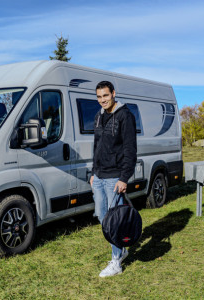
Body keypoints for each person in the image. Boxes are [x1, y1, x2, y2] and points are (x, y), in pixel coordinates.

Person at [90, 80, 137, 277]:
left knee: (114, 222)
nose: (103, 100)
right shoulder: (99, 117)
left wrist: (124, 178)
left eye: (106, 96)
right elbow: (97, 146)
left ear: (114, 94)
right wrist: (93, 173)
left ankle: (116, 262)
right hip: (99, 177)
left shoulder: (125, 116)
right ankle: (122, 249)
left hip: (114, 178)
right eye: (99, 97)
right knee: (103, 218)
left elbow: (130, 150)